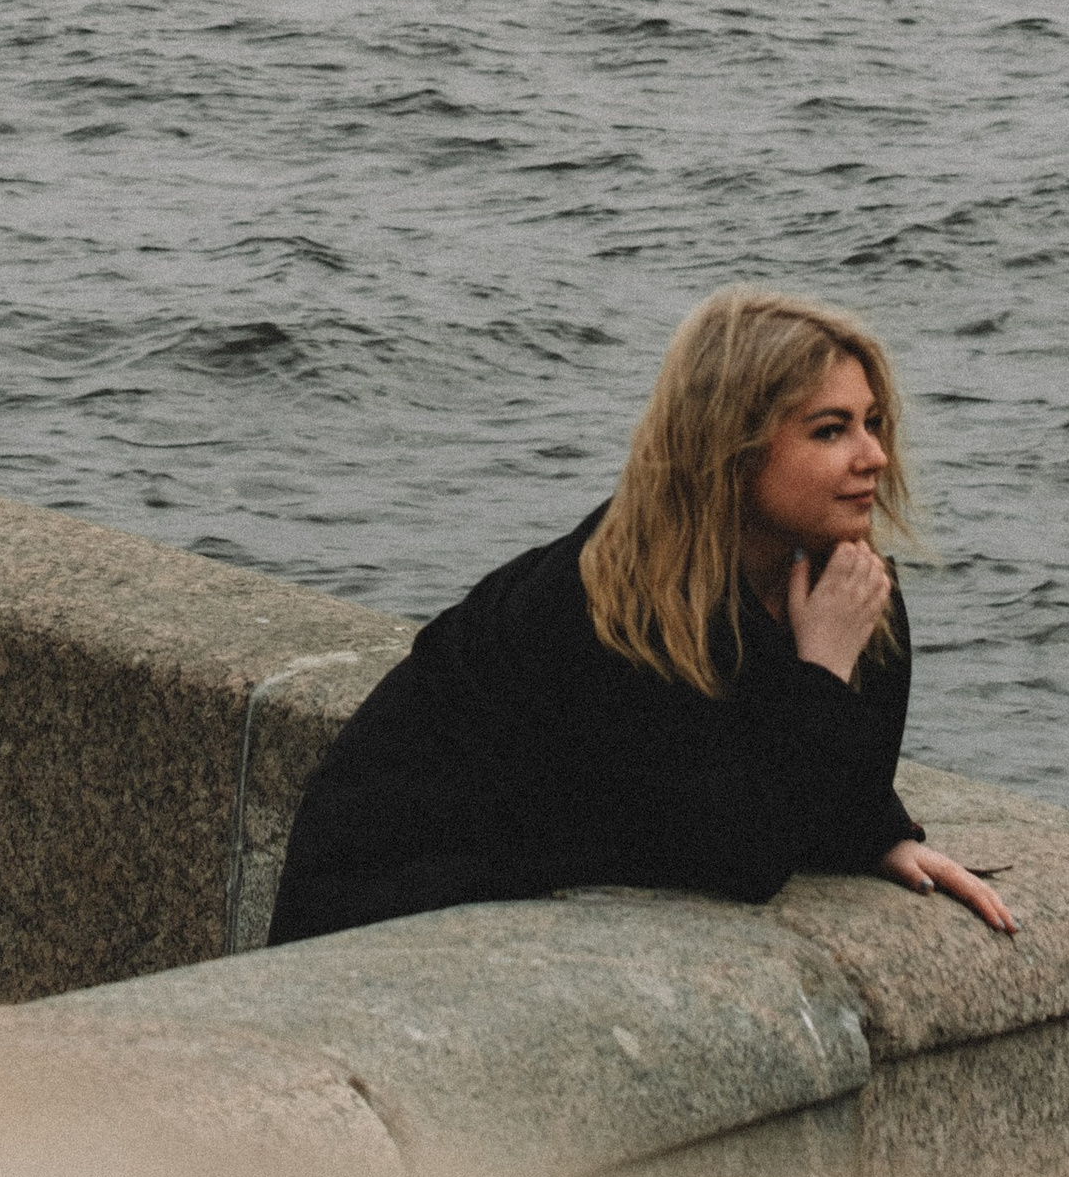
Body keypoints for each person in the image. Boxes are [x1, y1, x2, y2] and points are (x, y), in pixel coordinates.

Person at [266, 287, 1015, 946]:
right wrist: (820, 668)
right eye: (830, 430)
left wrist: (872, 834)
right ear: (733, 449)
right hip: (394, 897)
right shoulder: (610, 607)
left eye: (873, 422)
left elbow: (821, 790)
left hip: (545, 891)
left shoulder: (841, 581)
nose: (874, 456)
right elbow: (741, 858)